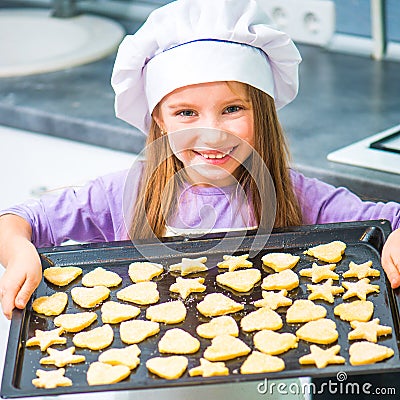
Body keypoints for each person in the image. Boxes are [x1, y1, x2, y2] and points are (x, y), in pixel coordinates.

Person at [0, 0, 399, 324]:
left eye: (232, 109)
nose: (212, 133)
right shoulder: (123, 193)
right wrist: (17, 250)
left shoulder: (295, 195)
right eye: (186, 113)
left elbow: (388, 221)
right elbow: (20, 221)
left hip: (270, 380)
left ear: (262, 112)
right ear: (158, 117)